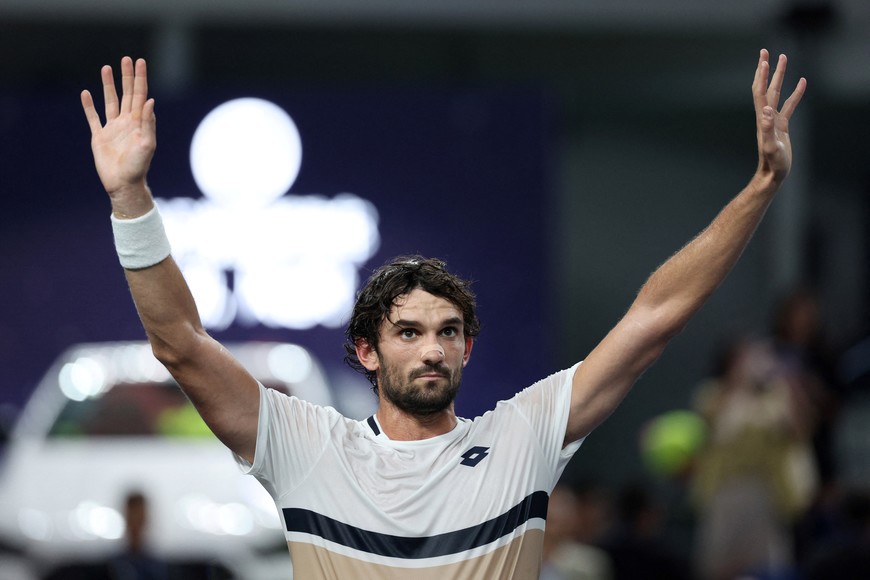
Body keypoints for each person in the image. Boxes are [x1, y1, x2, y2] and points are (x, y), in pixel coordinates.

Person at [80, 49, 805, 579]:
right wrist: (129, 200)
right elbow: (179, 343)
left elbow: (657, 316)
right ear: (366, 351)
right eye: (409, 332)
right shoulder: (304, 448)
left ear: (466, 350)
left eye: (448, 333)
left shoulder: (524, 438)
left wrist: (763, 186)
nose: (432, 348)